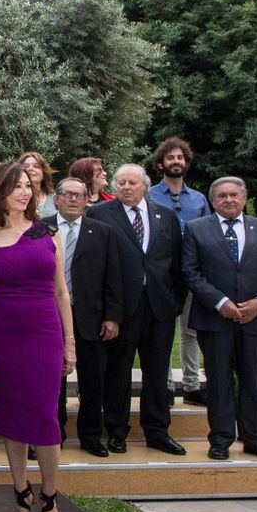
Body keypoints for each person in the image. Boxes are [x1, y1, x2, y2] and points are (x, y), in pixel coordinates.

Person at [0, 162, 76, 512]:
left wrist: (70, 343)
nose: (24, 192)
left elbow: (62, 291)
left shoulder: (48, 231)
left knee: (46, 418)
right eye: (16, 186)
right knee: (12, 419)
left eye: (27, 185)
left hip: (44, 333)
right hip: (2, 335)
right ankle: (20, 494)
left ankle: (49, 497)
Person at [182, 176, 257, 461]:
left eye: (233, 195)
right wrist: (221, 302)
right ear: (212, 200)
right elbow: (191, 273)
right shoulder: (196, 229)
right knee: (218, 382)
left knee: (253, 381)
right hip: (214, 319)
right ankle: (220, 439)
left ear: (243, 197)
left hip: (255, 320)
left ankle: (255, 439)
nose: (228, 200)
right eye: (221, 196)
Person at [87, 165, 186, 455]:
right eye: (120, 183)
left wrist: (175, 302)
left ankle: (157, 431)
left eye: (132, 182)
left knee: (156, 371)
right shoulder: (101, 214)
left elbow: (176, 262)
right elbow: (96, 266)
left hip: (159, 307)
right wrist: (107, 312)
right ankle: (116, 430)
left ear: (145, 185)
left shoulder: (165, 215)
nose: (126, 187)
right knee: (118, 371)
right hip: (121, 307)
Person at [45, 177, 124, 457]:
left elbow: (113, 277)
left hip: (90, 317)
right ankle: (53, 434)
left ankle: (91, 436)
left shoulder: (102, 232)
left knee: (93, 380)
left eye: (79, 195)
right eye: (67, 194)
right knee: (53, 381)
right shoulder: (40, 229)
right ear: (56, 198)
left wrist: (113, 317)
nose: (73, 200)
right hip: (49, 318)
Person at [149, 137, 213, 407]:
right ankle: (164, 385)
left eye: (180, 158)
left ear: (186, 163)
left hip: (192, 271)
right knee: (161, 331)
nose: (176, 162)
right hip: (163, 272)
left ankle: (191, 384)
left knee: (191, 331)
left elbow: (209, 233)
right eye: (170, 158)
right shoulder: (149, 195)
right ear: (160, 163)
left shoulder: (198, 199)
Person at [19, 151, 58, 219]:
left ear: (44, 174)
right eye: (25, 166)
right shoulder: (13, 197)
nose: (30, 169)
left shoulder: (54, 197)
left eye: (36, 166)